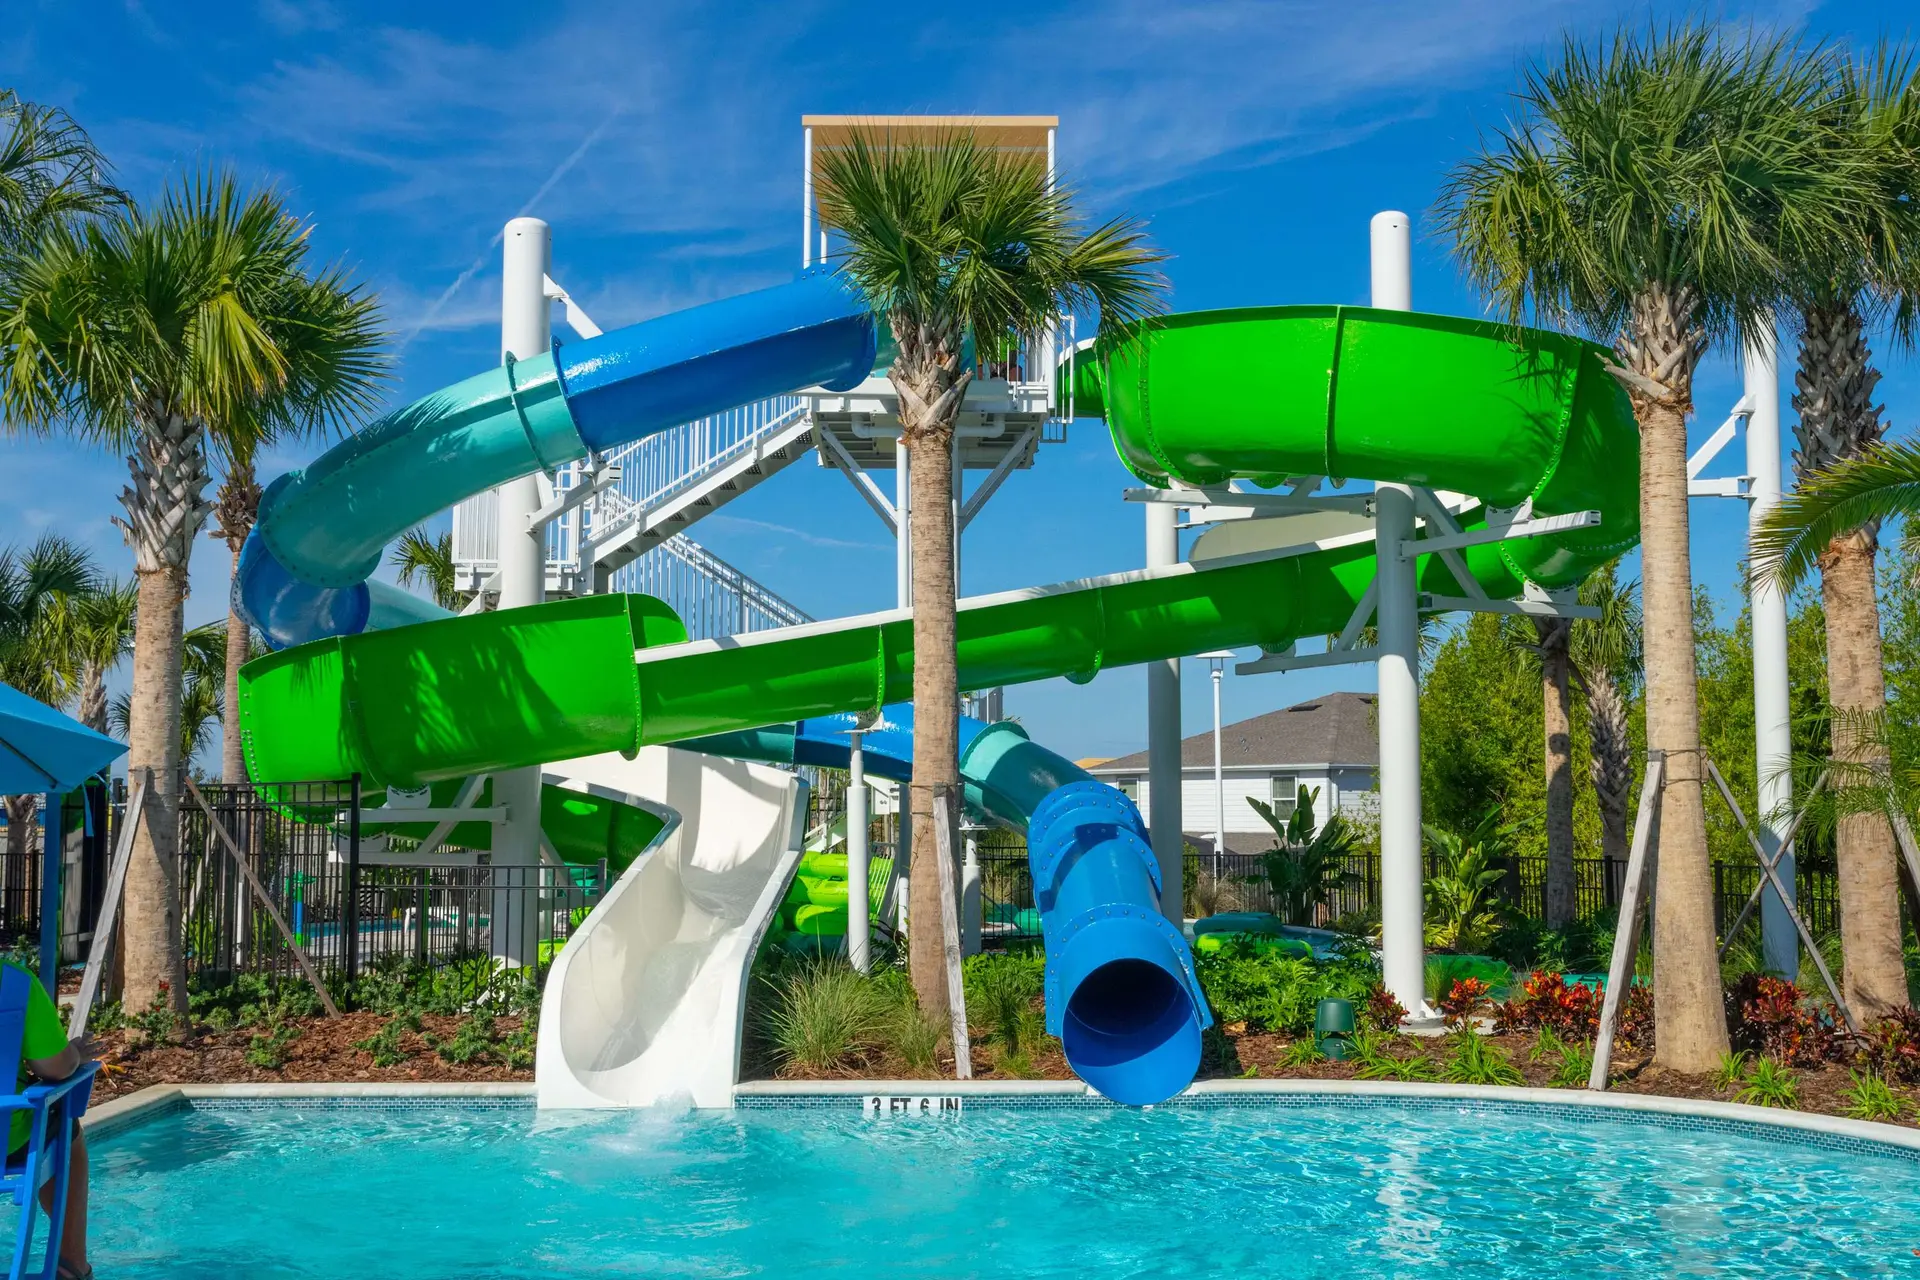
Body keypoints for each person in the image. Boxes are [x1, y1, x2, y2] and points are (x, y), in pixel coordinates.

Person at [9, 962, 91, 1280]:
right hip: (7, 1142)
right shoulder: (12, 981)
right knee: (67, 1131)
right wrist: (74, 1054)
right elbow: (56, 1068)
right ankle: (71, 1265)